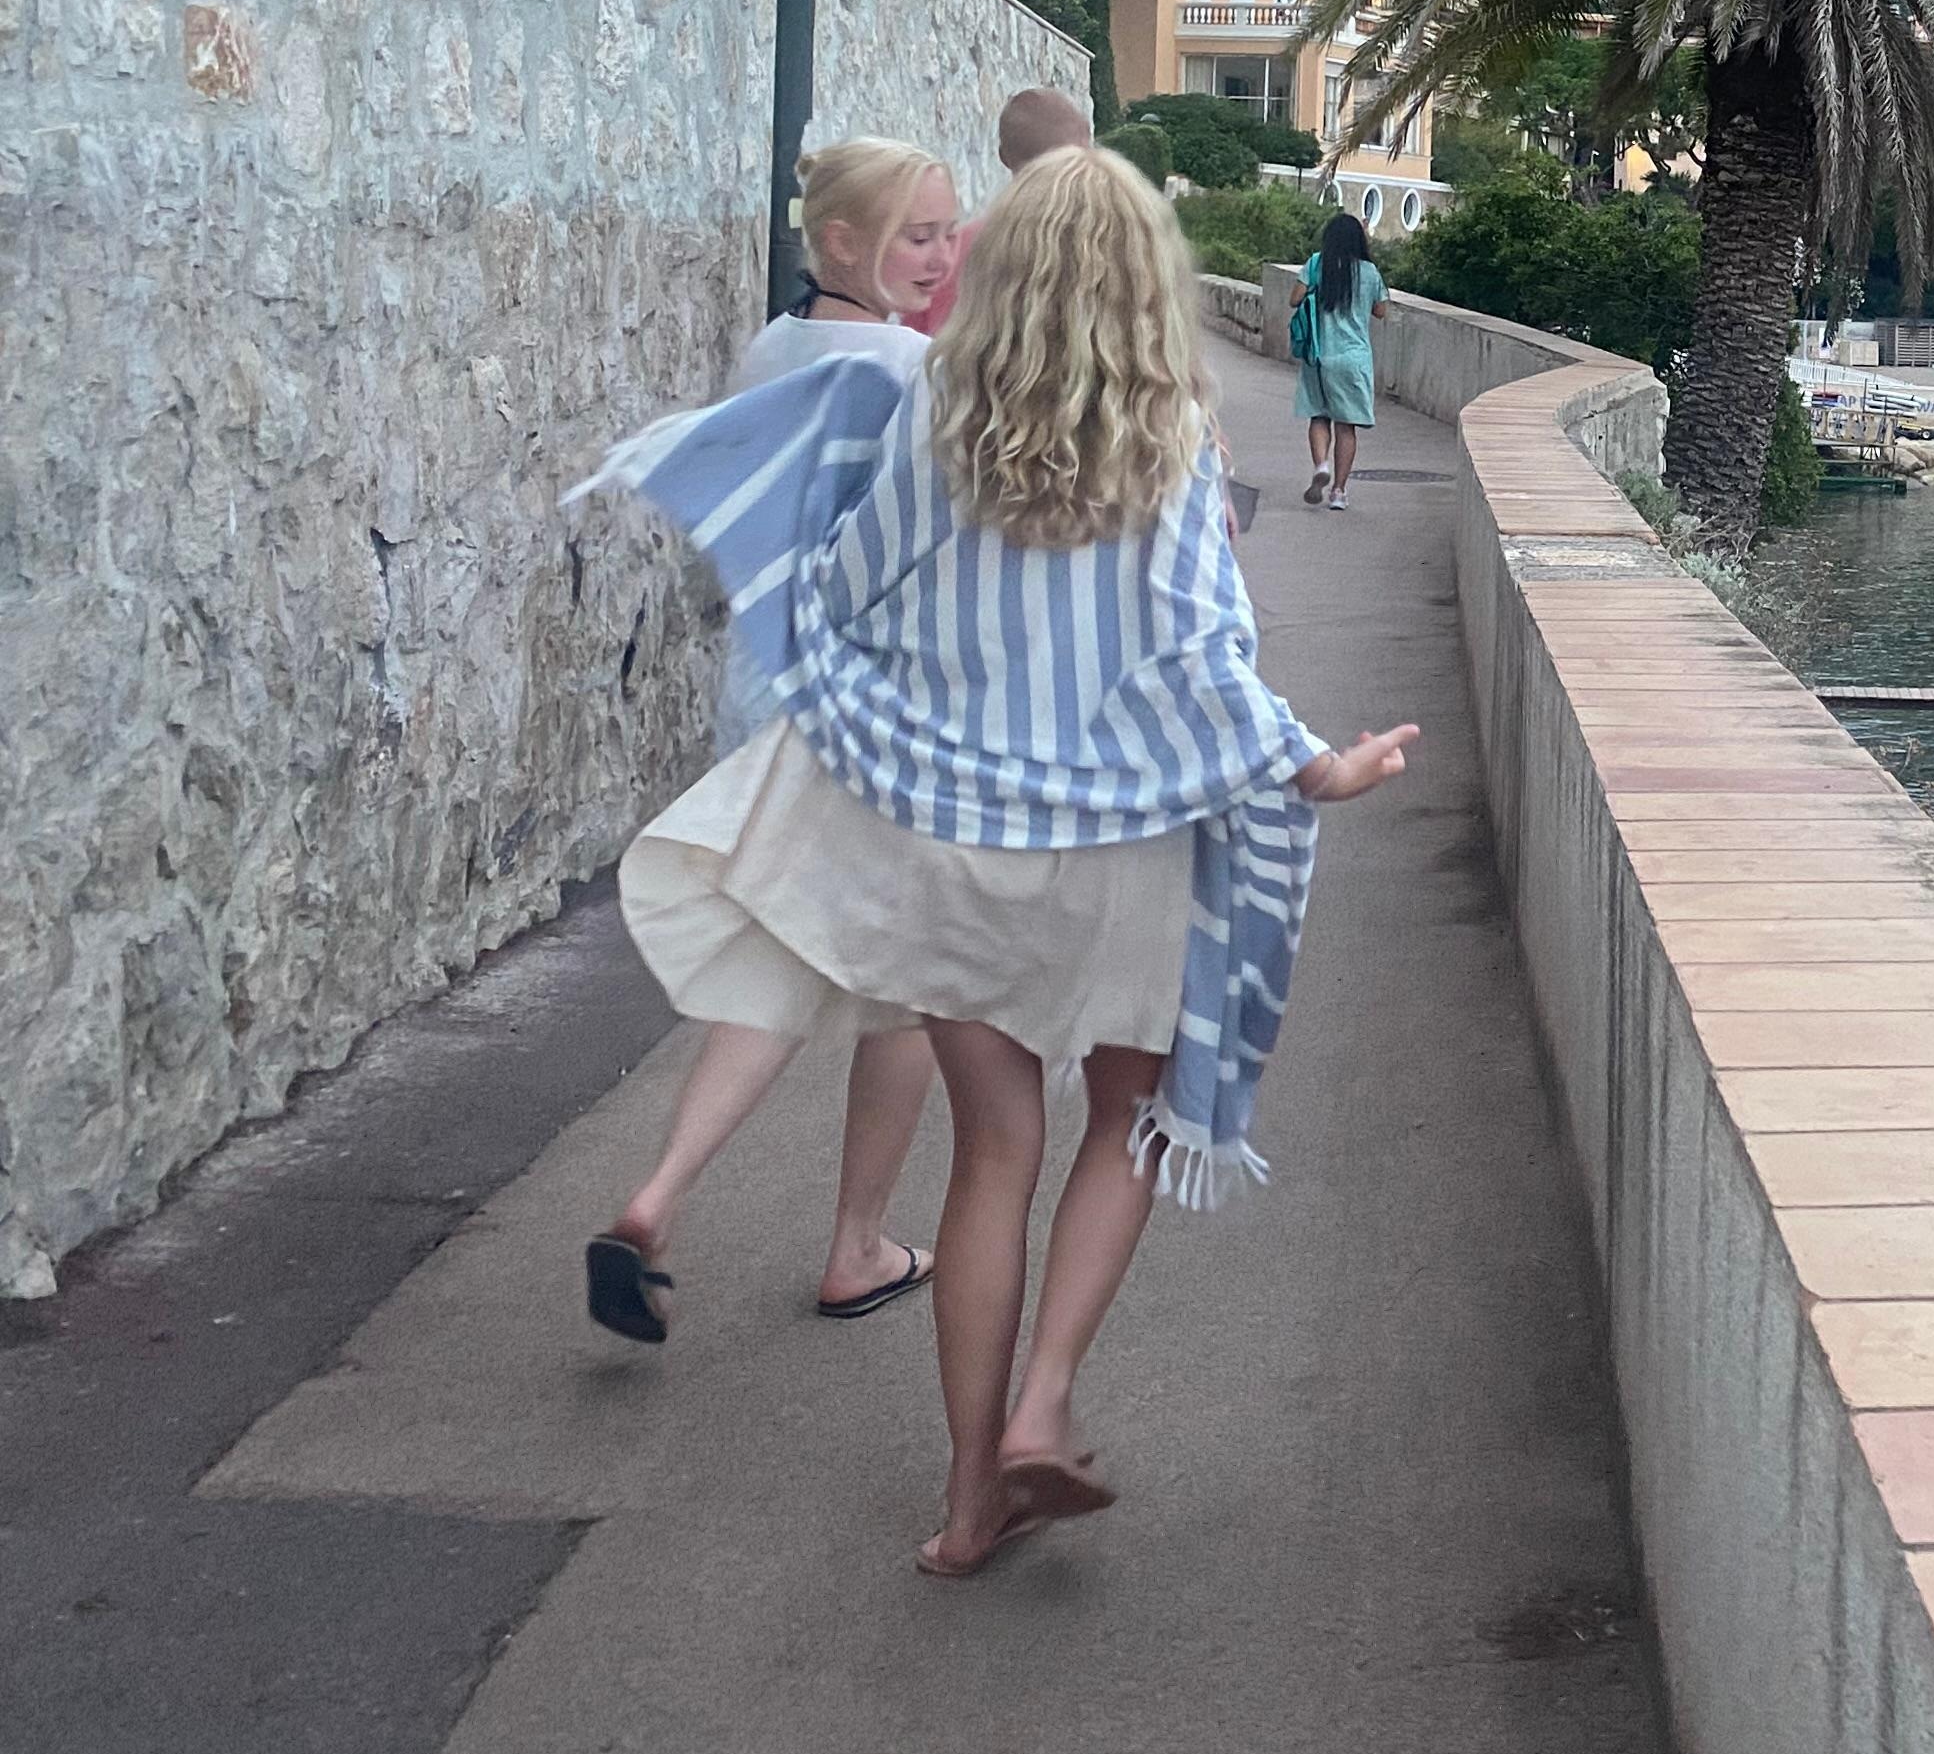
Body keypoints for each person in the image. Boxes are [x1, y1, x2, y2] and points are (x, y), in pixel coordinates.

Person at [582, 148, 1415, 1577]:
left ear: (1003, 271)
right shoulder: (1173, 446)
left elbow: (842, 599)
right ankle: (1045, 1402)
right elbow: (1209, 661)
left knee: (992, 1153)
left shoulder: (933, 428)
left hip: (960, 849)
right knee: (1124, 1127)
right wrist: (1316, 766)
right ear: (1148, 285)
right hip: (1128, 850)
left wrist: (897, 731)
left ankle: (970, 1505)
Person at [590, 140, 961, 1335]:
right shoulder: (912, 367)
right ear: (844, 242)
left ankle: (656, 1196)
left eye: (949, 232)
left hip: (761, 701)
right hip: (874, 716)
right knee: (904, 992)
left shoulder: (773, 345)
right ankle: (857, 1244)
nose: (942, 255)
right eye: (917, 233)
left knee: (772, 966)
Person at [906, 85, 1092, 337]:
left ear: (1003, 156)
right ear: (1086, 146)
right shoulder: (1112, 245)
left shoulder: (950, 254)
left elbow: (916, 350)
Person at [1292, 210, 1386, 507]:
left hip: (1319, 356)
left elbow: (1294, 299)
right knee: (1347, 426)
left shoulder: (1316, 264)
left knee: (1319, 415)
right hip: (1354, 358)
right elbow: (1381, 311)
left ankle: (1321, 465)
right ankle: (1339, 492)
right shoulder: (1369, 272)